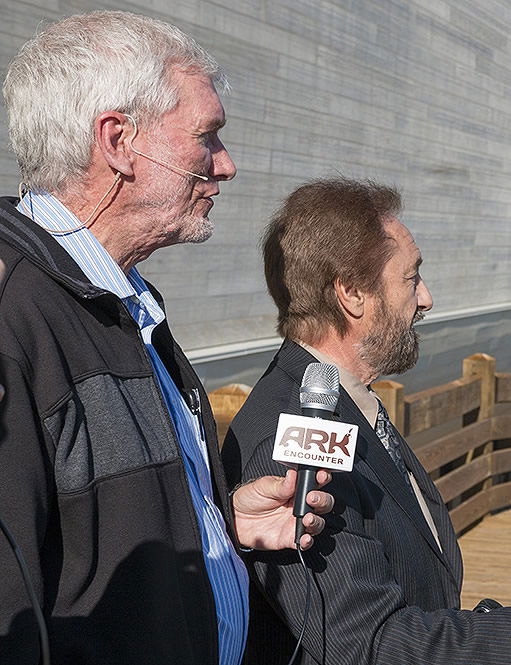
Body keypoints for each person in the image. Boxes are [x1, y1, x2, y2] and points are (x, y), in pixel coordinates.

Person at [223, 178, 511, 665]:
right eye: (410, 278)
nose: (426, 298)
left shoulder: (349, 406)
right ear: (352, 293)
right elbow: (372, 644)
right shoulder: (290, 438)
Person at [0, 12, 334, 664]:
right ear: (119, 140)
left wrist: (215, 523)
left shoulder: (124, 298)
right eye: (206, 137)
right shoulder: (16, 315)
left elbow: (94, 532)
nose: (227, 166)